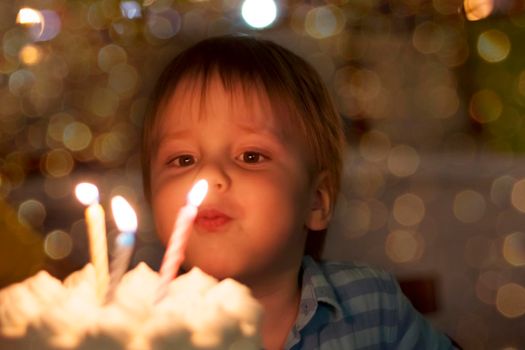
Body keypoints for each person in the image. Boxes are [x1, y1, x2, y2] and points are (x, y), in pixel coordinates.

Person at [141, 34, 455, 350]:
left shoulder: (374, 307)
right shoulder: (138, 331)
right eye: (183, 159)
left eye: (251, 156)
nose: (207, 176)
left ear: (317, 200)